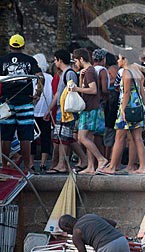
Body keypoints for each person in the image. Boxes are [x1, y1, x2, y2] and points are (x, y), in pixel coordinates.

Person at [97, 53, 145, 175]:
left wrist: (123, 110)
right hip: (137, 106)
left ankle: (112, 167)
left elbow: (126, 93)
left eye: (120, 58)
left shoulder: (126, 72)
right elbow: (142, 89)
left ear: (125, 59)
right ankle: (142, 167)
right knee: (138, 138)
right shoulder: (136, 72)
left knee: (119, 138)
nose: (118, 61)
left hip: (127, 107)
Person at [0, 34, 44, 173]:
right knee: (25, 136)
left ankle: (5, 166)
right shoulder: (30, 60)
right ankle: (27, 167)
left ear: (10, 46)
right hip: (25, 102)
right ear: (23, 46)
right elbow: (40, 77)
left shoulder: (2, 60)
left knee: (6, 135)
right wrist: (37, 93)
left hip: (7, 102)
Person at [44, 49, 87, 174]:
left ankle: (62, 164)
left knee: (63, 138)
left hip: (66, 111)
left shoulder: (69, 73)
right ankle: (82, 159)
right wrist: (50, 109)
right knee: (66, 137)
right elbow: (58, 93)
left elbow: (68, 91)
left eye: (55, 59)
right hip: (61, 110)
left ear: (59, 60)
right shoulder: (65, 73)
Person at [71, 48, 109, 174]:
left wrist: (76, 88)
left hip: (90, 108)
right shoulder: (87, 72)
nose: (76, 63)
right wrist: (81, 79)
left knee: (81, 138)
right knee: (89, 138)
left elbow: (93, 90)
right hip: (91, 107)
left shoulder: (90, 72)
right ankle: (91, 167)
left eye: (76, 61)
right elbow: (86, 87)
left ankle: (101, 159)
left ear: (81, 59)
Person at [31, 53, 53, 174]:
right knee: (45, 138)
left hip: (34, 111)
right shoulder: (50, 77)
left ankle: (31, 163)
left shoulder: (33, 77)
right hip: (46, 111)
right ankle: (43, 163)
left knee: (32, 138)